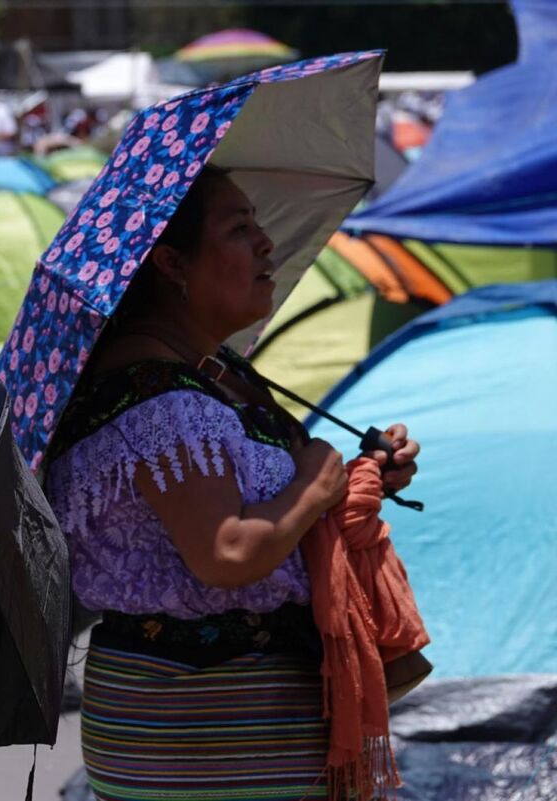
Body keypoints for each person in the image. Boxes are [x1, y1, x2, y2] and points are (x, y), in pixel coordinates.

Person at [43, 165, 420, 801]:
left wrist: (357, 479)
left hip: (223, 719)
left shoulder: (213, 375)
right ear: (171, 262)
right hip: (209, 724)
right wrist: (312, 485)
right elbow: (227, 552)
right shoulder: (165, 402)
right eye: (239, 229)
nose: (266, 243)